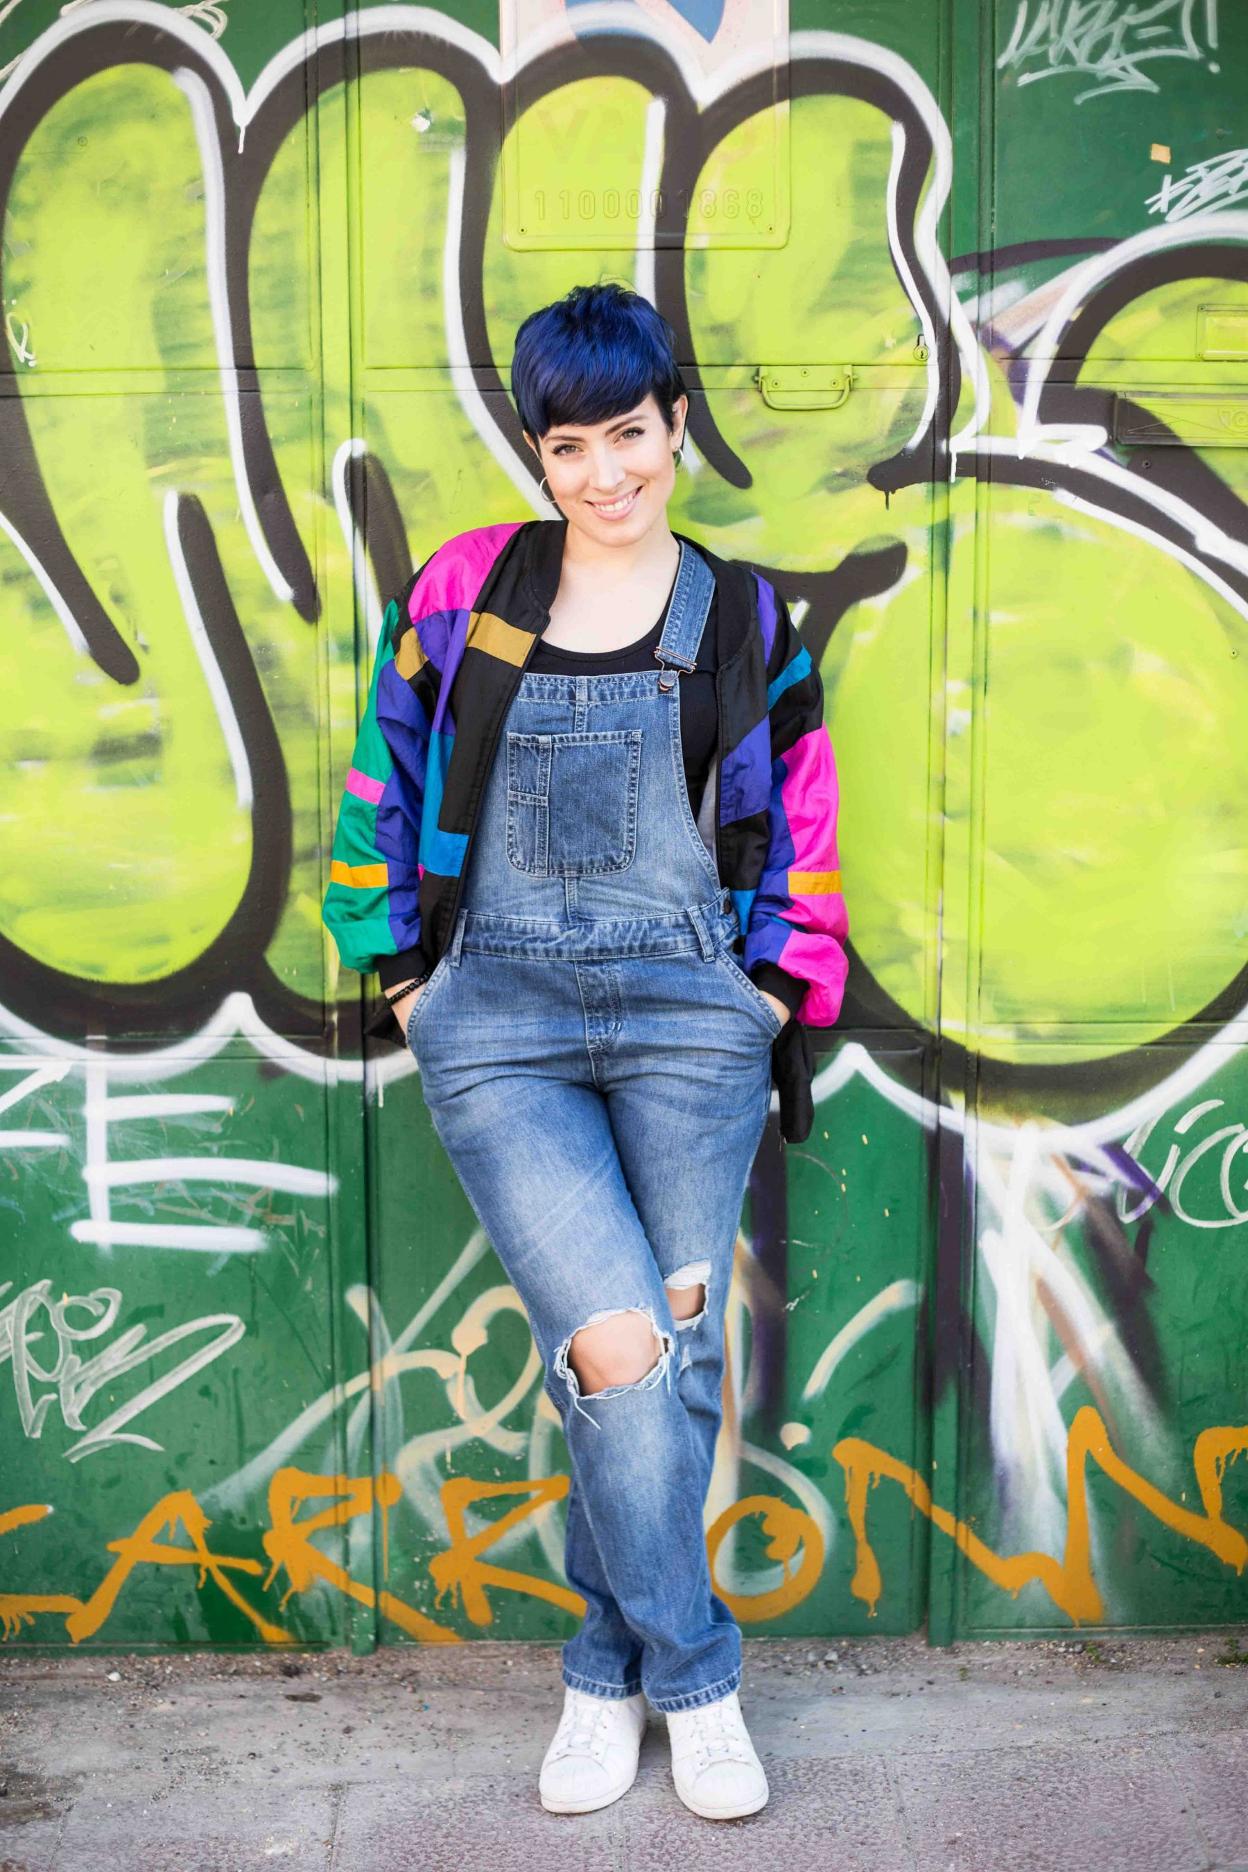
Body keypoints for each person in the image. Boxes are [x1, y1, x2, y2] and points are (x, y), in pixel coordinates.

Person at [322, 282, 849, 1821]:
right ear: (539, 456)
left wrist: (770, 994)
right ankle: (698, 1676)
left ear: (676, 424)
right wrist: (406, 981)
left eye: (630, 434)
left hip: (691, 1030)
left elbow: (801, 819)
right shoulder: (465, 595)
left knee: (668, 1363)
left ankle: (601, 1673)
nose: (605, 473)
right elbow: (383, 777)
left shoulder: (741, 617)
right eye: (570, 447)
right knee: (620, 1349)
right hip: (501, 1035)